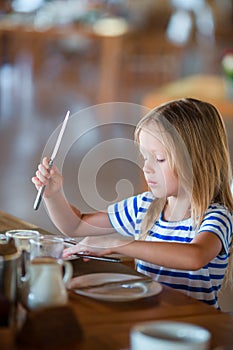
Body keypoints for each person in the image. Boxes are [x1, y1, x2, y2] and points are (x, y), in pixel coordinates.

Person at [32, 98, 233, 309]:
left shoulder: (217, 216)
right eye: (145, 157)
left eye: (159, 158)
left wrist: (115, 243)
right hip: (147, 317)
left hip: (197, 325)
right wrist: (53, 194)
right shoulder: (146, 207)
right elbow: (76, 225)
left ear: (196, 160)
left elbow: (195, 256)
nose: (147, 168)